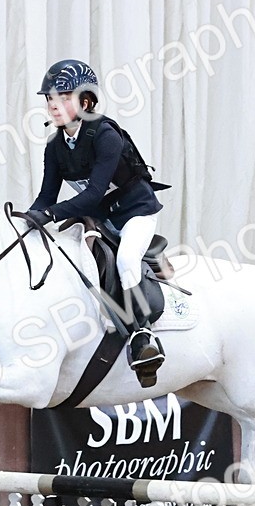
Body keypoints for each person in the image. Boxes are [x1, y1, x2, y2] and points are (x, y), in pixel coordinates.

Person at [24, 59, 166, 385]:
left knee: (128, 260)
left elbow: (91, 195)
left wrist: (48, 215)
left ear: (85, 102)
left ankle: (143, 336)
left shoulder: (105, 136)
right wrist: (23, 224)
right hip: (100, 219)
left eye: (62, 98)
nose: (53, 106)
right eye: (49, 99)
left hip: (136, 214)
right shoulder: (55, 147)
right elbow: (46, 197)